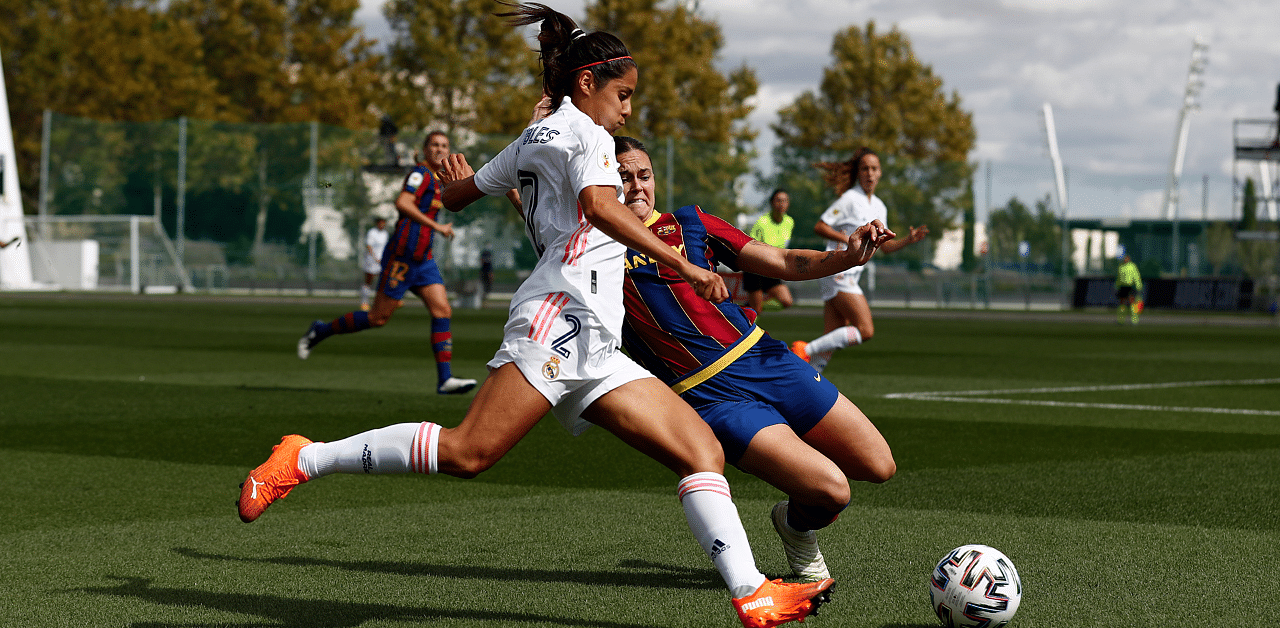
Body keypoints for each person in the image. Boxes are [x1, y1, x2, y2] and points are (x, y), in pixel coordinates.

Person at [238, 7, 832, 628]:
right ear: (587, 83)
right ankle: (303, 458)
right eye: (622, 95)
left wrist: (458, 180)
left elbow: (459, 196)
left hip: (596, 336)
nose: (627, 111)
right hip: (560, 312)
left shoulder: (538, 134)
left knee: (700, 450)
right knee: (470, 451)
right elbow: (602, 208)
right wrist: (683, 266)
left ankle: (751, 593)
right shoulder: (588, 138)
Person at [613, 136, 897, 584]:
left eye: (643, 175)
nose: (635, 187)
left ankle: (792, 519)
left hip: (767, 360)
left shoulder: (690, 221)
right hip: (711, 397)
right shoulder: (592, 250)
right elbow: (545, 229)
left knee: (879, 466)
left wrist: (846, 255)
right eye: (622, 177)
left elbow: (780, 259)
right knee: (832, 489)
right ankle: (799, 530)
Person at [295, 131, 477, 396]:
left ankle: (445, 379)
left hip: (423, 259)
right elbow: (402, 202)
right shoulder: (420, 174)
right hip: (402, 257)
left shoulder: (439, 180)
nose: (439, 149)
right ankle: (320, 330)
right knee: (377, 318)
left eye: (444, 146)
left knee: (442, 311)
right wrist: (437, 226)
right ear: (425, 149)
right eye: (434, 144)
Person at [790, 148, 929, 373]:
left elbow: (885, 248)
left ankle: (807, 385)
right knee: (865, 330)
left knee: (832, 339)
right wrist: (847, 239)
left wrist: (907, 240)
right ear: (858, 173)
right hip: (838, 271)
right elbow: (820, 226)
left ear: (880, 173)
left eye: (874, 168)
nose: (870, 173)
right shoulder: (849, 199)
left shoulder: (879, 206)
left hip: (847, 273)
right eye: (865, 168)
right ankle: (804, 349)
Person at [744, 189, 795, 313]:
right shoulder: (762, 222)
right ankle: (752, 310)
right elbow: (750, 246)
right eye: (778, 200)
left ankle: (746, 307)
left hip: (772, 268)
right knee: (756, 311)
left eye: (785, 201)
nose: (781, 204)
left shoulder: (789, 222)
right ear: (772, 203)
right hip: (755, 267)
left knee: (786, 301)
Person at [359, 216, 389, 311]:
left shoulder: (385, 233)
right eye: (381, 222)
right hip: (371, 260)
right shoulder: (372, 232)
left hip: (382, 261)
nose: (382, 224)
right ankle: (364, 302)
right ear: (377, 223)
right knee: (369, 281)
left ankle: (382, 303)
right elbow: (369, 246)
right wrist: (375, 258)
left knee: (384, 281)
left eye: (384, 223)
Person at [1115, 254, 1143, 325]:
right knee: (1122, 304)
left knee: (1132, 303)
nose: (1125, 260)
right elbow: (1119, 278)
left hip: (1130, 286)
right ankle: (1121, 320)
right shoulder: (1121, 267)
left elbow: (1136, 276)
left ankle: (1134, 319)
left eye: (1127, 258)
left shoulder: (1132, 266)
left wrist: (1139, 286)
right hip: (1122, 287)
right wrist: (1117, 286)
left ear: (1129, 259)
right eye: (1125, 259)